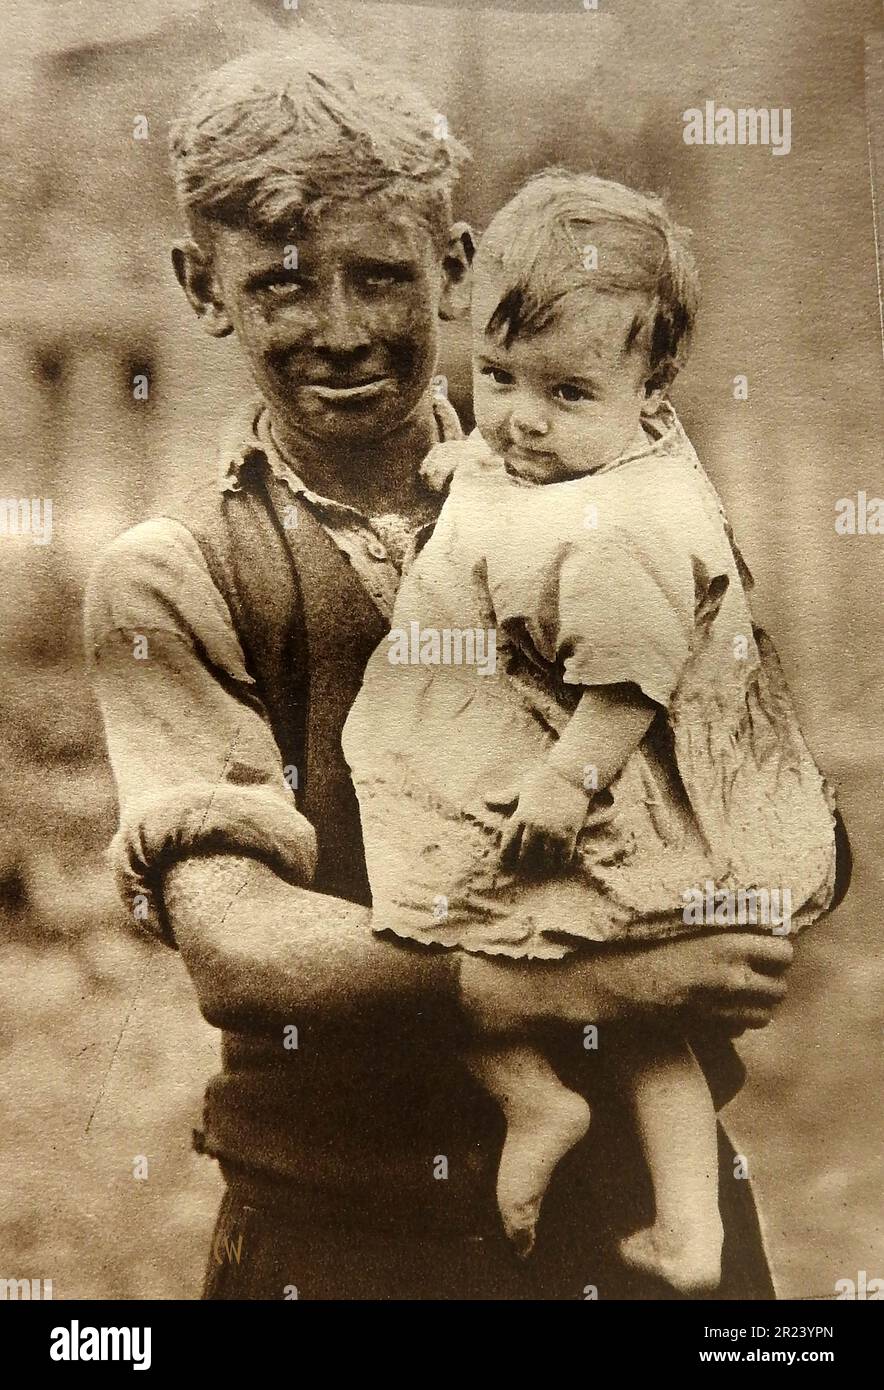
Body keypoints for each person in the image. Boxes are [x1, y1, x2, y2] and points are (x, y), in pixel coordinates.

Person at [85, 38, 807, 1300]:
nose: (344, 329)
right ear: (202, 286)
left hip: (636, 1215)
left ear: (457, 268)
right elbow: (242, 944)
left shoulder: (609, 487)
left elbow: (763, 786)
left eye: (382, 275)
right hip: (342, 1220)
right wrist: (597, 974)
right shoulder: (173, 574)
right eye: (283, 286)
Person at [342, 171, 841, 1293]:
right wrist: (457, 468)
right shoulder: (544, 453)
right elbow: (491, 476)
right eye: (498, 376)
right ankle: (603, 1154)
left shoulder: (625, 522)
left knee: (486, 943)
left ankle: (648, 1195)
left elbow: (626, 677)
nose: (519, 417)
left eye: (566, 392)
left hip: (593, 802)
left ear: (649, 390)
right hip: (541, 773)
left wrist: (568, 781)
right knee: (581, 989)